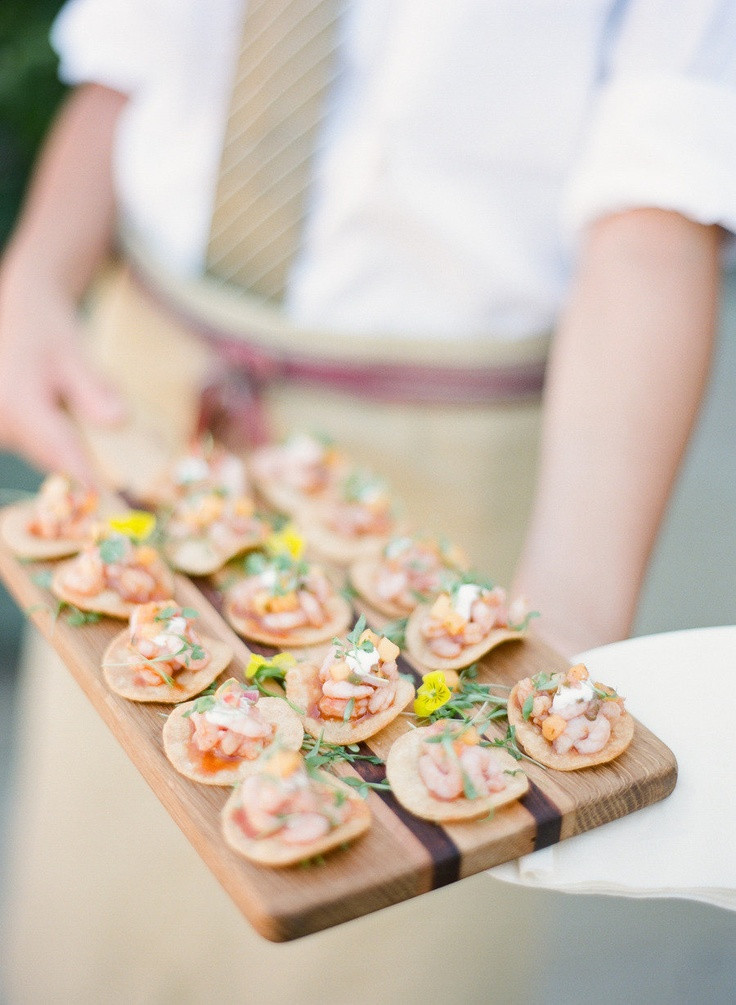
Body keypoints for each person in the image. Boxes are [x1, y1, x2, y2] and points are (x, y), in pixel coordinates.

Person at [0, 1, 733, 1001]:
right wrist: (35, 271)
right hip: (146, 381)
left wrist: (563, 629)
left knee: (377, 949)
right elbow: (133, 55)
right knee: (92, 902)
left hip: (449, 443)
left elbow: (659, 198)